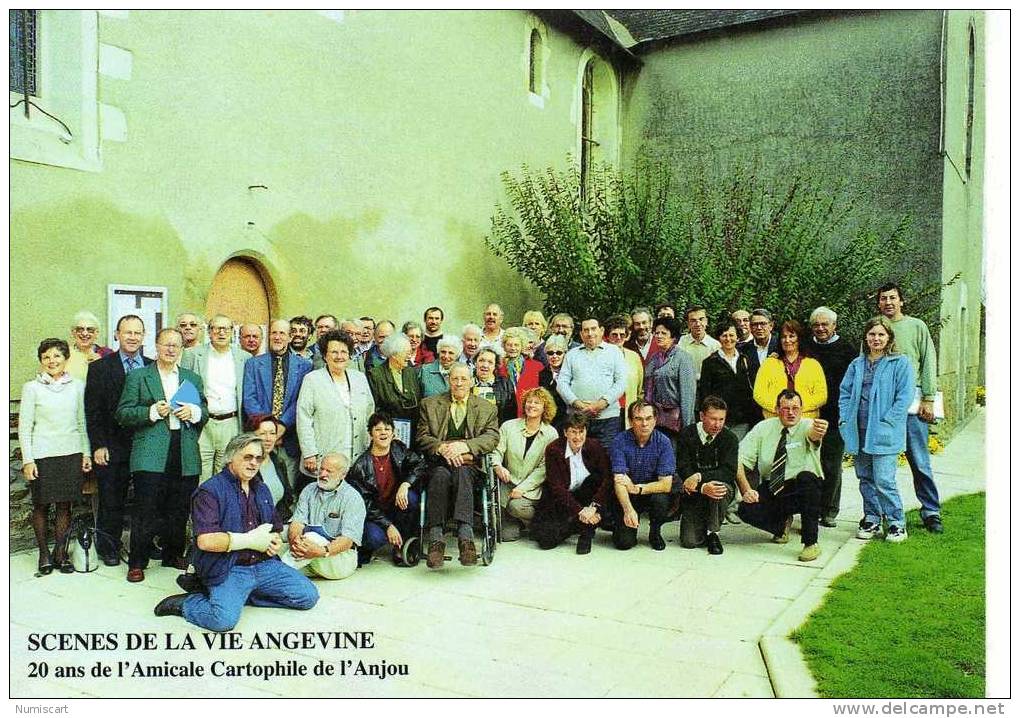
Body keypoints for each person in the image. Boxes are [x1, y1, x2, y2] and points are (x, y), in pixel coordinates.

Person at [152, 433, 318, 631]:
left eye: (258, 458)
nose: (254, 463)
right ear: (231, 457)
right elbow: (205, 541)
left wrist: (273, 541)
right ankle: (188, 603)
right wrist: (249, 540)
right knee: (223, 620)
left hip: (263, 564)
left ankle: (241, 595)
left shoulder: (262, 489)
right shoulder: (210, 491)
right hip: (229, 567)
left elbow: (274, 527)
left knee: (307, 596)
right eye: (247, 457)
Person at [116, 327, 208, 583]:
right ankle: (137, 562)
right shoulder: (139, 376)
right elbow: (123, 413)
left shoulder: (192, 378)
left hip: (184, 448)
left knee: (179, 507)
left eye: (175, 346)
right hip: (150, 451)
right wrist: (152, 412)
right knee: (145, 509)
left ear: (181, 349)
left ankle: (172, 554)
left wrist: (195, 412)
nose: (170, 349)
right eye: (166, 344)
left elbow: (205, 410)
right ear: (156, 346)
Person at [839, 317, 915, 543]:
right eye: (872, 334)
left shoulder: (900, 363)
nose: (876, 338)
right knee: (865, 477)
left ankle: (896, 523)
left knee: (884, 479)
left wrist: (888, 419)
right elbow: (845, 392)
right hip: (858, 430)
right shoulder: (857, 364)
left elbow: (905, 396)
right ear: (866, 337)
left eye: (881, 334)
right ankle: (871, 518)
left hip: (884, 431)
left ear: (889, 337)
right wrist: (844, 417)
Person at [85, 314, 153, 565]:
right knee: (112, 499)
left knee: (148, 499)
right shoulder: (100, 368)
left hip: (146, 444)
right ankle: (108, 547)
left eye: (137, 333)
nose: (133, 337)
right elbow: (93, 411)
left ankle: (145, 545)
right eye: (128, 332)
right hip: (112, 445)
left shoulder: (152, 366)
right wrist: (98, 445)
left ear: (143, 336)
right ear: (117, 334)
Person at [417, 363, 500, 569]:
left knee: (463, 473)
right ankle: (436, 540)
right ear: (448, 380)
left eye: (464, 379)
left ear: (471, 381)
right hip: (439, 462)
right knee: (439, 476)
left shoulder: (486, 407)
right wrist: (443, 448)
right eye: (455, 379)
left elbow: (492, 436)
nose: (459, 383)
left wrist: (464, 446)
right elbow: (422, 436)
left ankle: (466, 537)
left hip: (469, 463)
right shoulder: (430, 404)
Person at [20, 338, 91, 575]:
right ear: (41, 361)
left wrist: (86, 452)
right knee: (41, 505)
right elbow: (25, 426)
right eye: (46, 357)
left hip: (70, 453)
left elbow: (82, 422)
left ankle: (61, 552)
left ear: (66, 359)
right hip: (42, 454)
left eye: (57, 356)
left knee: (64, 505)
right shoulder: (32, 388)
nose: (52, 361)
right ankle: (43, 553)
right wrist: (28, 459)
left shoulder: (77, 386)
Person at [877, 282, 943, 533]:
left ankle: (931, 511)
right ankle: (886, 513)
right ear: (879, 303)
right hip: (882, 405)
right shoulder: (876, 328)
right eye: (883, 299)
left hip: (912, 402)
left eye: (893, 298)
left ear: (901, 301)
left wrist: (928, 398)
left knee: (919, 460)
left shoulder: (917, 326)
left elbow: (928, 361)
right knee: (883, 462)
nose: (888, 302)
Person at [736, 389, 827, 562]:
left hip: (804, 488)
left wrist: (818, 432)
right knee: (745, 509)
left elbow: (814, 436)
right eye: (786, 408)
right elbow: (738, 460)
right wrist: (746, 489)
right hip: (775, 486)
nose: (791, 413)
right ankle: (780, 525)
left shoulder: (808, 425)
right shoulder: (763, 428)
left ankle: (810, 543)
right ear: (777, 409)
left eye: (796, 408)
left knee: (807, 478)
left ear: (802, 409)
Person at [296, 330, 375, 495]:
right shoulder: (312, 380)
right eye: (334, 352)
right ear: (325, 355)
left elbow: (370, 412)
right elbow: (304, 418)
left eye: (344, 352)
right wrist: (309, 453)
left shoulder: (359, 378)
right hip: (324, 455)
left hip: (356, 455)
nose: (339, 356)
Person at [347, 412, 426, 565]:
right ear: (370, 434)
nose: (383, 432)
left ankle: (401, 544)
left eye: (387, 429)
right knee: (374, 538)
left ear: (393, 433)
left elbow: (420, 465)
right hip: (376, 514)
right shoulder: (360, 466)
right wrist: (388, 525)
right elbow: (366, 505)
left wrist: (405, 484)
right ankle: (370, 546)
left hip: (397, 506)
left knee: (410, 498)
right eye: (378, 429)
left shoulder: (399, 450)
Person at [242, 319, 313, 490]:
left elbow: (301, 400)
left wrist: (281, 426)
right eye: (274, 332)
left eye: (282, 333)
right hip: (260, 437)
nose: (277, 337)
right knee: (259, 487)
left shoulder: (305, 366)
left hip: (289, 438)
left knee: (288, 487)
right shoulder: (253, 364)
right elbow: (249, 398)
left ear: (289, 337)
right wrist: (268, 430)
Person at [181, 314, 249, 482]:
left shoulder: (244, 357)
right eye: (216, 328)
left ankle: (220, 508)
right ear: (209, 332)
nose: (221, 332)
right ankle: (201, 508)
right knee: (201, 476)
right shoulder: (192, 355)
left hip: (231, 423)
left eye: (226, 328)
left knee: (225, 474)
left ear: (232, 332)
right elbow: (183, 388)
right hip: (203, 423)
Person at [531, 411, 611, 554]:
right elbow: (556, 488)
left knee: (596, 479)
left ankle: (586, 534)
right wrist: (581, 511)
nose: (578, 437)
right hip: (562, 498)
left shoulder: (595, 446)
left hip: (587, 495)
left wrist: (593, 507)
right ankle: (584, 522)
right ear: (565, 432)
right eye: (573, 432)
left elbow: (606, 479)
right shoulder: (553, 449)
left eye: (581, 431)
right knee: (545, 541)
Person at [280, 452, 366, 580]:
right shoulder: (309, 489)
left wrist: (322, 551)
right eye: (321, 469)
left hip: (336, 558)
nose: (323, 474)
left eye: (329, 471)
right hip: (308, 554)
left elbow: (347, 540)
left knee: (312, 537)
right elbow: (297, 523)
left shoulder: (352, 498)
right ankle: (283, 569)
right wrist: (295, 541)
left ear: (343, 475)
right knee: (273, 540)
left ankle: (278, 572)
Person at [809, 306, 858, 527]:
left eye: (824, 324)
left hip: (835, 416)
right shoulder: (806, 347)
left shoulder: (847, 350)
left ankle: (829, 510)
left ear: (834, 326)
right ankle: (811, 508)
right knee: (810, 463)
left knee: (831, 464)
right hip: (809, 415)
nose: (820, 328)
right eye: (816, 325)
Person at [492, 387, 559, 540]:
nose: (532, 405)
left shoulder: (551, 433)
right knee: (505, 536)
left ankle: (537, 522)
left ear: (545, 408)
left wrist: (522, 488)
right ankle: (518, 523)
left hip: (533, 489)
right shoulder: (508, 426)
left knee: (516, 506)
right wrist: (497, 466)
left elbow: (544, 468)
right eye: (529, 401)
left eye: (537, 403)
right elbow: (497, 451)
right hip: (507, 484)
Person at [675, 396, 739, 555]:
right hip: (695, 492)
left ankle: (713, 533)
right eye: (713, 419)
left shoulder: (730, 438)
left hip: (719, 489)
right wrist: (702, 487)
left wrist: (700, 477)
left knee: (718, 487)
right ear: (702, 416)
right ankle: (704, 521)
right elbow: (683, 467)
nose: (718, 424)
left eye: (721, 419)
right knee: (689, 542)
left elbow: (728, 472)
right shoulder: (687, 434)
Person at [609, 400, 676, 551]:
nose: (644, 424)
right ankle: (622, 524)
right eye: (638, 419)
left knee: (661, 499)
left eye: (648, 418)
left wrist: (637, 488)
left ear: (655, 419)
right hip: (626, 495)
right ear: (631, 421)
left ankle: (655, 532)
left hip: (650, 492)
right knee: (624, 543)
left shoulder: (664, 442)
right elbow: (619, 480)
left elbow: (666, 484)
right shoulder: (619, 441)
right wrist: (628, 510)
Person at [556, 316, 627, 450]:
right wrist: (578, 404)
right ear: (581, 334)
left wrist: (601, 404)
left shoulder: (614, 352)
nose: (590, 333)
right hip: (578, 417)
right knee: (579, 456)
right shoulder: (572, 354)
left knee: (606, 459)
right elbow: (562, 383)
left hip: (608, 418)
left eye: (593, 329)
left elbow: (621, 382)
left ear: (601, 330)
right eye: (586, 330)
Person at [753, 319, 827, 420]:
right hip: (774, 420)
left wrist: (797, 408)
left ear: (799, 338)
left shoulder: (813, 365)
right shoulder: (769, 364)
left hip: (806, 422)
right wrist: (780, 408)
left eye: (792, 336)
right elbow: (759, 394)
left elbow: (821, 396)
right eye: (784, 337)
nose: (787, 340)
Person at [698, 319, 757, 441]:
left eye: (731, 335)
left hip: (742, 419)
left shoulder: (745, 359)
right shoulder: (710, 362)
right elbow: (705, 393)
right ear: (719, 338)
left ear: (737, 337)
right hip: (719, 420)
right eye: (724, 335)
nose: (728, 339)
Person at [642, 316, 697, 441]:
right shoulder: (653, 359)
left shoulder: (683, 358)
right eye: (656, 333)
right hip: (656, 419)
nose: (659, 336)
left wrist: (687, 427)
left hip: (676, 421)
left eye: (663, 333)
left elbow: (688, 395)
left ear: (673, 337)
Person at [367, 333, 422, 444]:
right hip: (387, 434)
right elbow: (374, 408)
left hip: (411, 433)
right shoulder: (376, 375)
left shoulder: (411, 372)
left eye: (410, 353)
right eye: (406, 353)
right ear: (394, 355)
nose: (409, 356)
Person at [604, 314, 645, 429]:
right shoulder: (600, 356)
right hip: (607, 411)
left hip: (628, 410)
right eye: (614, 335)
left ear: (627, 336)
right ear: (607, 336)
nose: (618, 338)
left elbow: (640, 388)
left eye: (622, 335)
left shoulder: (634, 357)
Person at [250, 415, 292, 520]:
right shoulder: (246, 466)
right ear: (252, 436)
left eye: (272, 433)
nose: (268, 439)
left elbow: (287, 498)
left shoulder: (278, 462)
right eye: (263, 434)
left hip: (278, 522)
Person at [497, 327, 544, 416]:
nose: (513, 348)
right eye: (509, 345)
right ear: (504, 346)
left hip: (529, 412)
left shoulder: (537, 366)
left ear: (522, 346)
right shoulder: (498, 367)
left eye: (516, 345)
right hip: (506, 413)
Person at [471, 347, 516, 425]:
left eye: (490, 362)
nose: (485, 365)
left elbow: (511, 414)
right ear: (475, 362)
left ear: (495, 366)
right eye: (481, 361)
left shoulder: (505, 384)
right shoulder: (466, 382)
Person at [66, 310, 113, 381]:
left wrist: (101, 365)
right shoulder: (65, 354)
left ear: (96, 333)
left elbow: (114, 382)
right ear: (73, 332)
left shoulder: (107, 354)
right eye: (80, 329)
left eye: (90, 330)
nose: (85, 333)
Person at [679, 304, 721, 381]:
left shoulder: (715, 345)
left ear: (706, 321)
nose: (698, 324)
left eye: (701, 319)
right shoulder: (682, 342)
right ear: (688, 324)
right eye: (693, 320)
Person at [538, 334, 570, 433]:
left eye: (559, 353)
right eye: (550, 353)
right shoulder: (541, 374)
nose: (554, 356)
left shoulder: (571, 373)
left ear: (565, 353)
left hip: (567, 420)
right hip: (548, 421)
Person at [739, 308, 780, 386]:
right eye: (755, 324)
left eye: (763, 324)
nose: (759, 328)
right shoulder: (743, 350)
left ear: (771, 326)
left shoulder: (781, 346)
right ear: (750, 327)